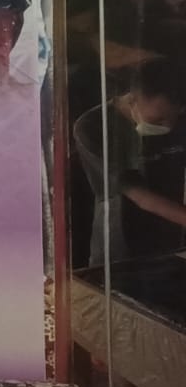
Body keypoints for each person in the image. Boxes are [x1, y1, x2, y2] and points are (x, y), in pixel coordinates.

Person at [74, 59, 186, 265]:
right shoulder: (93, 127)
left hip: (171, 243)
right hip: (120, 252)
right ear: (132, 99)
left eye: (173, 118)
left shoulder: (179, 119)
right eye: (158, 120)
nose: (168, 126)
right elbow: (142, 197)